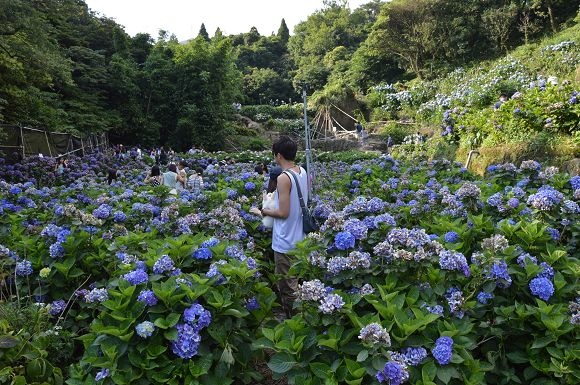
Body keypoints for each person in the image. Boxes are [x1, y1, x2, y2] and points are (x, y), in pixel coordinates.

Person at [260, 136, 308, 318]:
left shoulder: (283, 178)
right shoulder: (302, 172)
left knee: (287, 286)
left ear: (278, 155)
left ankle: (296, 323)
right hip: (300, 239)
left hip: (285, 239)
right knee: (296, 281)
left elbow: (283, 212)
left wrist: (264, 211)